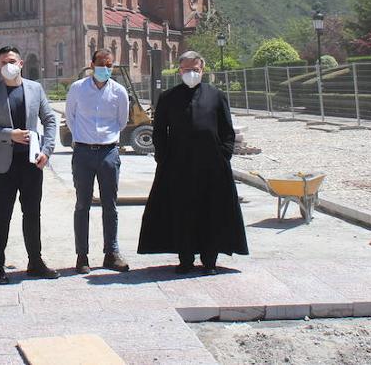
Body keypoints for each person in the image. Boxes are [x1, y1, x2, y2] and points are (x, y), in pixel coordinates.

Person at [138, 50, 248, 273]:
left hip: (212, 167)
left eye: (195, 70)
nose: (191, 73)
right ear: (179, 71)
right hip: (179, 167)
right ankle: (185, 260)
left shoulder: (216, 95)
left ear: (202, 70)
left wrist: (224, 154)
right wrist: (163, 158)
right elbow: (159, 131)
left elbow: (227, 129)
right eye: (187, 70)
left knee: (212, 212)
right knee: (182, 213)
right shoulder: (168, 97)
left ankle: (210, 261)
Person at [0, 45, 59, 283]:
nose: (7, 66)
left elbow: (50, 119)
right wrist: (8, 134)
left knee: (32, 213)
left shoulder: (35, 89)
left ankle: (35, 261)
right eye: (3, 62)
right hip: (4, 164)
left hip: (32, 162)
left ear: (21, 64)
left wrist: (47, 150)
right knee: (2, 214)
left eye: (11, 61)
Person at [65, 49, 131, 273]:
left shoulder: (119, 92)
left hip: (108, 153)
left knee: (110, 205)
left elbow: (122, 122)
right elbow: (70, 117)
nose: (106, 69)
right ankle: (82, 256)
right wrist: (83, 139)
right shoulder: (77, 89)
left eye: (109, 65)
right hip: (83, 153)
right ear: (92, 64)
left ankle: (111, 253)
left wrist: (104, 139)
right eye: (101, 65)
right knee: (82, 204)